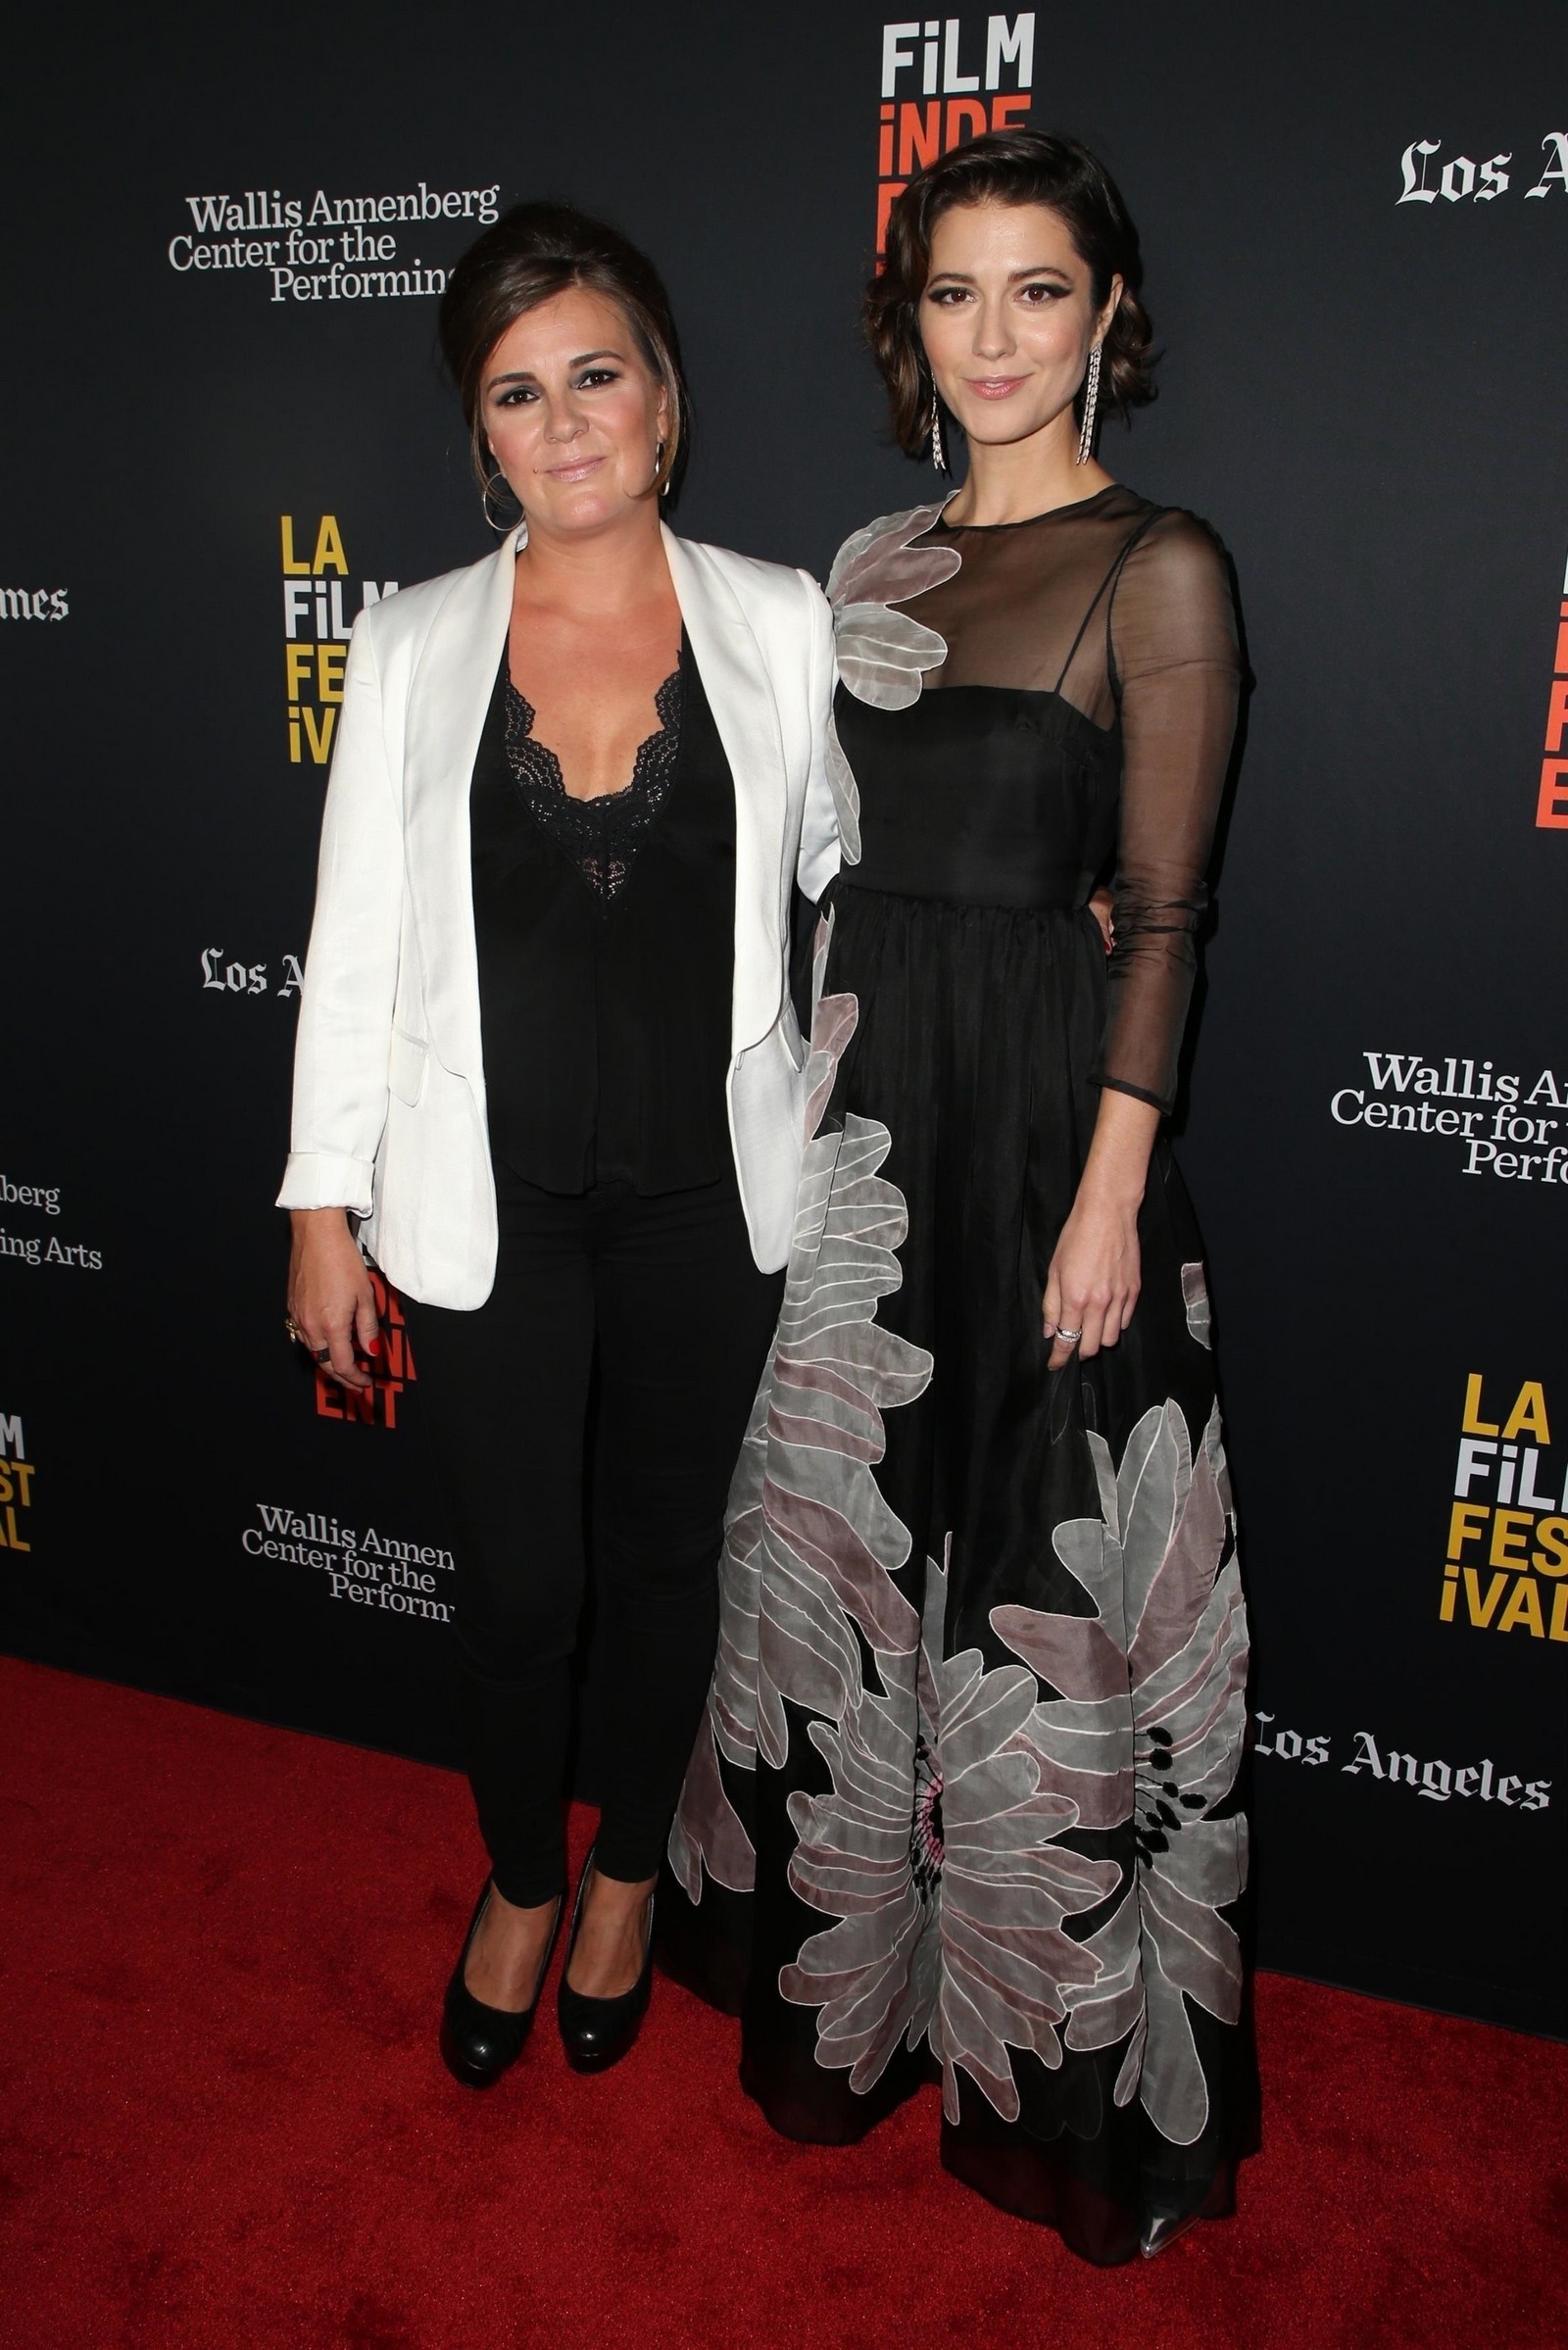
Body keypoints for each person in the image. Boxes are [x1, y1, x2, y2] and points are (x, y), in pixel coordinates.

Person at [662, 131, 1257, 2264]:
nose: (992, 336)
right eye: (951, 292)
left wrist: (1112, 1195)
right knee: (841, 1554)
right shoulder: (866, 563)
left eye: (1036, 289)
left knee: (1033, 1576)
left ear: (1105, 314)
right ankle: (854, 2006)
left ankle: (1068, 2074)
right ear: (905, 325)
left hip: (1044, 1132)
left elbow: (1162, 913)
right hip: (869, 1126)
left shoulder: (1154, 566)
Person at [278, 203, 838, 2085]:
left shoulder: (781, 619)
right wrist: (321, 1202)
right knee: (521, 1583)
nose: (566, 420)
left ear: (664, 400)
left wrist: (1046, 903)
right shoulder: (410, 640)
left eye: (597, 375)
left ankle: (622, 1872)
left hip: (708, 1194)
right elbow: (355, 939)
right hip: (486, 1199)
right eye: (518, 393)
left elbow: (847, 855)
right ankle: (521, 1874)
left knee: (667, 1562)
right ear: (482, 435)